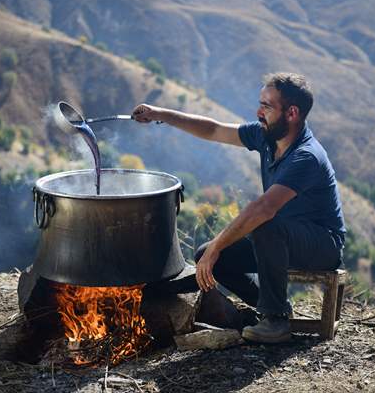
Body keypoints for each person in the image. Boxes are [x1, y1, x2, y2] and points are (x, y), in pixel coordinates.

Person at [132, 72, 346, 343]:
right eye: (261, 103)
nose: (258, 112)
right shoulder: (266, 137)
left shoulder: (306, 156)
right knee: (206, 254)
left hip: (321, 245)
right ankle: (271, 307)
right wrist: (159, 113)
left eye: (267, 106)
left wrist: (217, 244)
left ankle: (276, 321)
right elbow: (213, 129)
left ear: (292, 113)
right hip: (281, 238)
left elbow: (264, 208)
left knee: (262, 224)